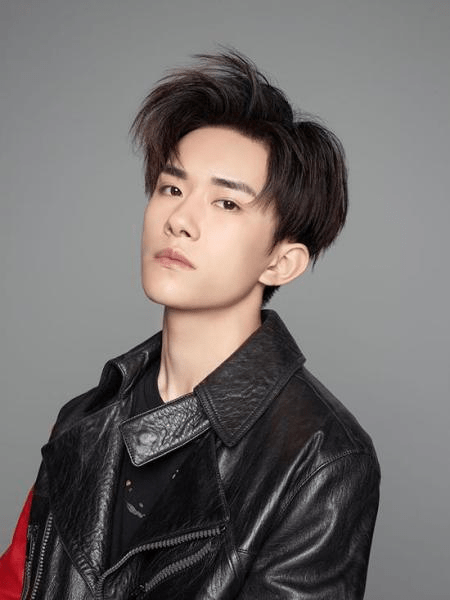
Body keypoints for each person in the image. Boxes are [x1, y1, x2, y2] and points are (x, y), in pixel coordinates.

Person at [0, 50, 380, 599]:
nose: (179, 220)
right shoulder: (84, 419)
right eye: (172, 188)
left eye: (226, 203)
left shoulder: (322, 459)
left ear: (282, 262)